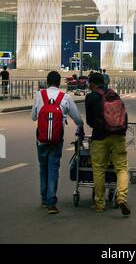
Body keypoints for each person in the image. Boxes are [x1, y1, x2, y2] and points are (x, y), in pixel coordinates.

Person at [32, 70, 84, 214]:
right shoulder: (65, 97)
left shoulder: (39, 95)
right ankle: (51, 203)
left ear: (47, 82)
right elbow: (78, 119)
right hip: (56, 139)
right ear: (59, 82)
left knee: (43, 168)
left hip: (41, 139)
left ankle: (44, 199)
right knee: (53, 168)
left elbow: (33, 117)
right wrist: (80, 124)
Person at [85, 72, 130, 215]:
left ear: (92, 84)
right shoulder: (113, 94)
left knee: (99, 169)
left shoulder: (91, 97)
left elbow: (90, 121)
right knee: (122, 168)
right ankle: (121, 197)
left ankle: (100, 203)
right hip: (118, 135)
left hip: (100, 137)